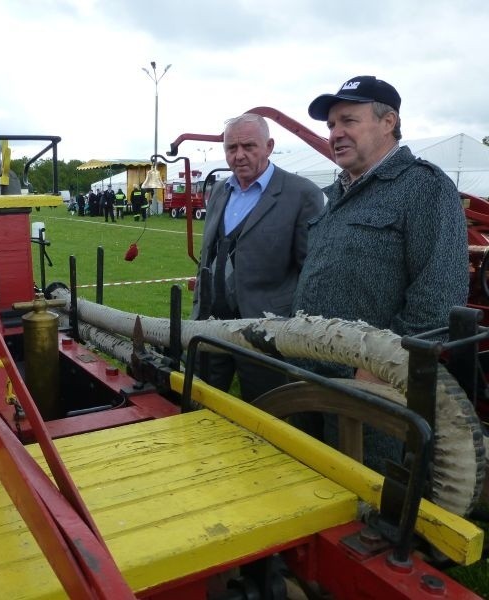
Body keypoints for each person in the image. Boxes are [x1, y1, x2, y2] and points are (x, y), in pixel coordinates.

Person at [292, 76, 468, 471]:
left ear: (388, 122)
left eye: (348, 121)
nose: (336, 133)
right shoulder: (337, 194)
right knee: (310, 484)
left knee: (368, 502)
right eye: (331, 125)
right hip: (309, 371)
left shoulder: (424, 186)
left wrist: (379, 369)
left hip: (372, 388)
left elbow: (438, 297)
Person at [191, 113, 324, 401]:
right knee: (200, 405)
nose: (239, 156)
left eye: (249, 146)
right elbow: (209, 254)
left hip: (264, 332)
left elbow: (309, 273)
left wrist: (291, 329)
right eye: (231, 148)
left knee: (264, 414)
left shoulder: (302, 195)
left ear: (269, 146)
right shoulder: (219, 191)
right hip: (210, 325)